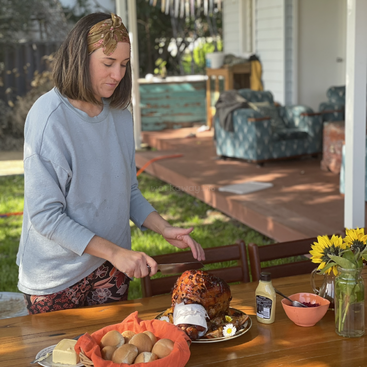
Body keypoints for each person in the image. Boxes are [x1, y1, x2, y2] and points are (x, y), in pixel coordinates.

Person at [16, 12, 205, 314]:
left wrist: (163, 227)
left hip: (112, 268)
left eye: (124, 65)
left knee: (114, 357)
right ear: (81, 57)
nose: (117, 75)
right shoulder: (48, 118)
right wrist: (117, 253)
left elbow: (127, 191)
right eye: (108, 63)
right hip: (57, 278)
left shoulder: (119, 114)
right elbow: (46, 216)